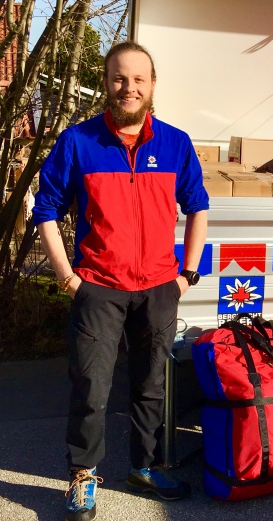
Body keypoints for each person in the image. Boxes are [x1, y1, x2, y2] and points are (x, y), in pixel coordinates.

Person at [32, 41, 209, 521]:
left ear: (152, 85)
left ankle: (145, 467)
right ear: (106, 82)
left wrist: (186, 274)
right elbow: (45, 209)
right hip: (98, 288)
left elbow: (198, 207)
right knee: (91, 384)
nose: (128, 87)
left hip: (157, 287)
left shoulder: (175, 143)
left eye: (138, 79)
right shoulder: (78, 142)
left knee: (151, 384)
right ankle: (83, 475)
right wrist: (68, 277)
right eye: (118, 78)